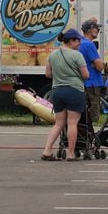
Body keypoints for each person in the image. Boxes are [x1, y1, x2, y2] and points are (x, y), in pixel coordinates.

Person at [41, 29, 90, 161]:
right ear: (71, 41)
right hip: (74, 90)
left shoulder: (52, 55)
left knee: (59, 123)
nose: (80, 43)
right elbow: (86, 75)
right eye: (78, 40)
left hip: (57, 91)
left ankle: (47, 151)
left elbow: (48, 75)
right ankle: (70, 154)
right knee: (72, 123)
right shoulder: (77, 55)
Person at [79, 18, 105, 124]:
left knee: (84, 113)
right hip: (92, 83)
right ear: (90, 30)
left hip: (84, 83)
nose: (98, 30)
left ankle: (84, 137)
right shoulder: (89, 44)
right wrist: (99, 64)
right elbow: (99, 67)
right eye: (96, 28)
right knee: (93, 115)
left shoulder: (80, 43)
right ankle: (90, 137)